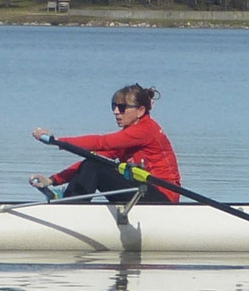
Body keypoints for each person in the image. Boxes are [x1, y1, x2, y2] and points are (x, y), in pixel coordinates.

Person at [29, 83, 181, 203]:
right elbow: (94, 158)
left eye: (122, 108)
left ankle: (72, 205)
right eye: (113, 106)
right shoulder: (128, 136)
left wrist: (58, 141)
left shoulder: (146, 130)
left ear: (140, 111)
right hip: (142, 191)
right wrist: (53, 179)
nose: (116, 111)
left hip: (163, 197)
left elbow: (102, 142)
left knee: (95, 165)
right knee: (93, 161)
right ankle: (70, 200)